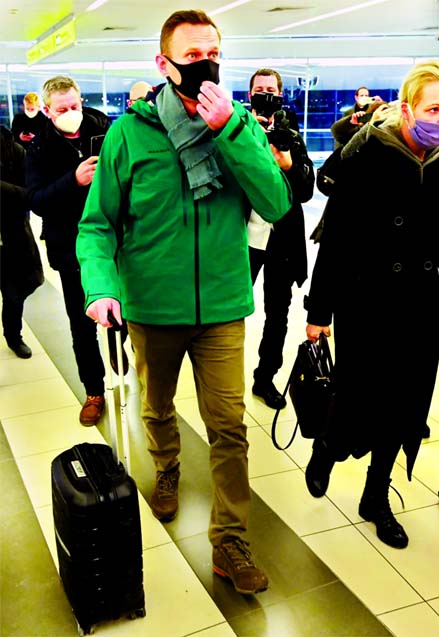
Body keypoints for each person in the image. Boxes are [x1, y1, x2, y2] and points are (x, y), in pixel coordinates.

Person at [76, 10, 292, 595]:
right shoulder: (129, 133)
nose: (205, 62)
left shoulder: (242, 124)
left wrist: (231, 131)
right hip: (152, 305)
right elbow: (97, 226)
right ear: (164, 63)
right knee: (157, 407)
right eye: (192, 55)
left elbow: (276, 204)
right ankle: (167, 469)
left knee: (229, 427)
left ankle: (230, 539)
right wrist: (101, 288)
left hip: (222, 305)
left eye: (213, 51)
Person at [303, 59, 439, 550]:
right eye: (433, 107)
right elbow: (337, 240)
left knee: (405, 405)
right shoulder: (370, 155)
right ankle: (328, 449)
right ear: (408, 107)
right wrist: (318, 313)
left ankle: (376, 496)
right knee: (356, 394)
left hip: (422, 305)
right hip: (367, 300)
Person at [26, 76, 110, 426]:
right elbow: (36, 201)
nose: (71, 113)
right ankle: (94, 390)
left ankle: (131, 363)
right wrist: (72, 180)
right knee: (81, 323)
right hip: (70, 246)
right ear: (47, 111)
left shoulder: (102, 128)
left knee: (130, 312)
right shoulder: (39, 148)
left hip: (112, 239)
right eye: (62, 109)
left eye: (75, 106)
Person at [247, 67, 315, 409]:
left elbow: (306, 191)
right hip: (242, 239)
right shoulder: (238, 132)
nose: (265, 95)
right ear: (249, 95)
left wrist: (288, 165)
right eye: (259, 90)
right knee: (228, 311)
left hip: (282, 241)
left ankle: (265, 377)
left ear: (281, 94)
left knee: (278, 314)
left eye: (271, 90)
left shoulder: (292, 135)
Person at [0, 125, 44, 358]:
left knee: (14, 294)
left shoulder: (14, 150)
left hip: (11, 235)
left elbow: (29, 194)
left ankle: (13, 337)